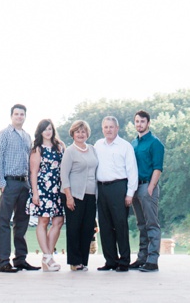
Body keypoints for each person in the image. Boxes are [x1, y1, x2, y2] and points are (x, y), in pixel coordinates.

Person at [0, 104, 37, 272]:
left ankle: (20, 259)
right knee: (5, 222)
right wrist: (2, 184)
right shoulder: (3, 135)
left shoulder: (27, 137)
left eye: (22, 114)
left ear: (25, 117)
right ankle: (4, 261)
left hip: (24, 183)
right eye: (16, 114)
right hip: (9, 183)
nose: (19, 117)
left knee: (22, 223)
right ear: (11, 116)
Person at [91, 115, 139, 271]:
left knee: (120, 225)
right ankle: (110, 261)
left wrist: (130, 193)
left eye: (111, 127)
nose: (108, 130)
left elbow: (132, 171)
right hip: (102, 188)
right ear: (102, 129)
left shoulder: (125, 146)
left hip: (119, 188)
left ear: (117, 128)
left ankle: (124, 261)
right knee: (105, 227)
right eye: (106, 127)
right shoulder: (98, 145)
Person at [26, 119, 66, 272]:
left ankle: (47, 257)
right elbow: (33, 173)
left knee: (58, 221)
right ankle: (48, 257)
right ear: (40, 132)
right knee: (43, 221)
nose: (48, 132)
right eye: (45, 129)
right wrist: (35, 193)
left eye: (50, 129)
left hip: (57, 188)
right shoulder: (37, 149)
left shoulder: (59, 146)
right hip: (43, 189)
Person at [60, 119, 100, 271]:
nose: (80, 134)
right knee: (74, 228)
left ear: (87, 133)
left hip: (91, 195)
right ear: (73, 134)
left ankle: (83, 261)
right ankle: (74, 262)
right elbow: (64, 175)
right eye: (78, 131)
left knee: (87, 228)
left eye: (83, 131)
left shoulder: (92, 149)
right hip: (74, 195)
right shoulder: (70, 151)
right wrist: (69, 197)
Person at [131, 110, 165, 272]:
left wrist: (151, 187)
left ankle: (152, 260)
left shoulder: (155, 143)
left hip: (147, 186)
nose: (139, 124)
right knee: (141, 224)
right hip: (135, 187)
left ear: (148, 123)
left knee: (152, 224)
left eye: (142, 121)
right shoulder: (133, 143)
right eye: (137, 121)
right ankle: (142, 258)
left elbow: (158, 168)